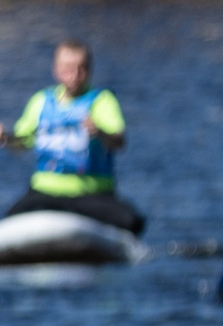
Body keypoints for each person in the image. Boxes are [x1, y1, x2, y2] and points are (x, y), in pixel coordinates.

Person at [8, 40, 144, 235]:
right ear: (56, 70)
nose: (75, 75)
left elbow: (119, 142)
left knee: (132, 222)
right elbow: (22, 142)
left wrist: (99, 132)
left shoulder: (101, 100)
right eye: (69, 68)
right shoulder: (41, 101)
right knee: (10, 219)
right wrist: (5, 139)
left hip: (92, 193)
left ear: (89, 70)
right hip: (45, 191)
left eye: (82, 68)